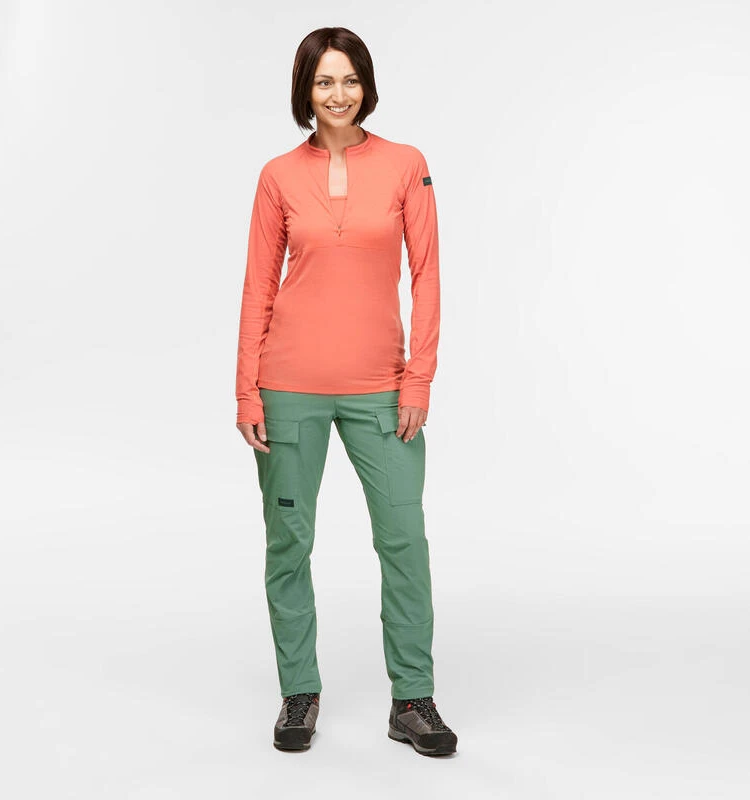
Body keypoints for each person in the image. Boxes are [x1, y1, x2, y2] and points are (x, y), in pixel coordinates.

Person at [235, 26, 457, 757]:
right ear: (306, 89)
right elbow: (258, 287)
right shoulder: (277, 176)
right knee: (288, 544)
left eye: (350, 79)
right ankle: (299, 692)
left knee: (404, 540)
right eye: (324, 81)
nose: (339, 94)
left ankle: (413, 699)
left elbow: (427, 275)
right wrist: (246, 391)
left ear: (367, 85)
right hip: (288, 386)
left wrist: (418, 377)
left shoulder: (405, 165)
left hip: (380, 389)